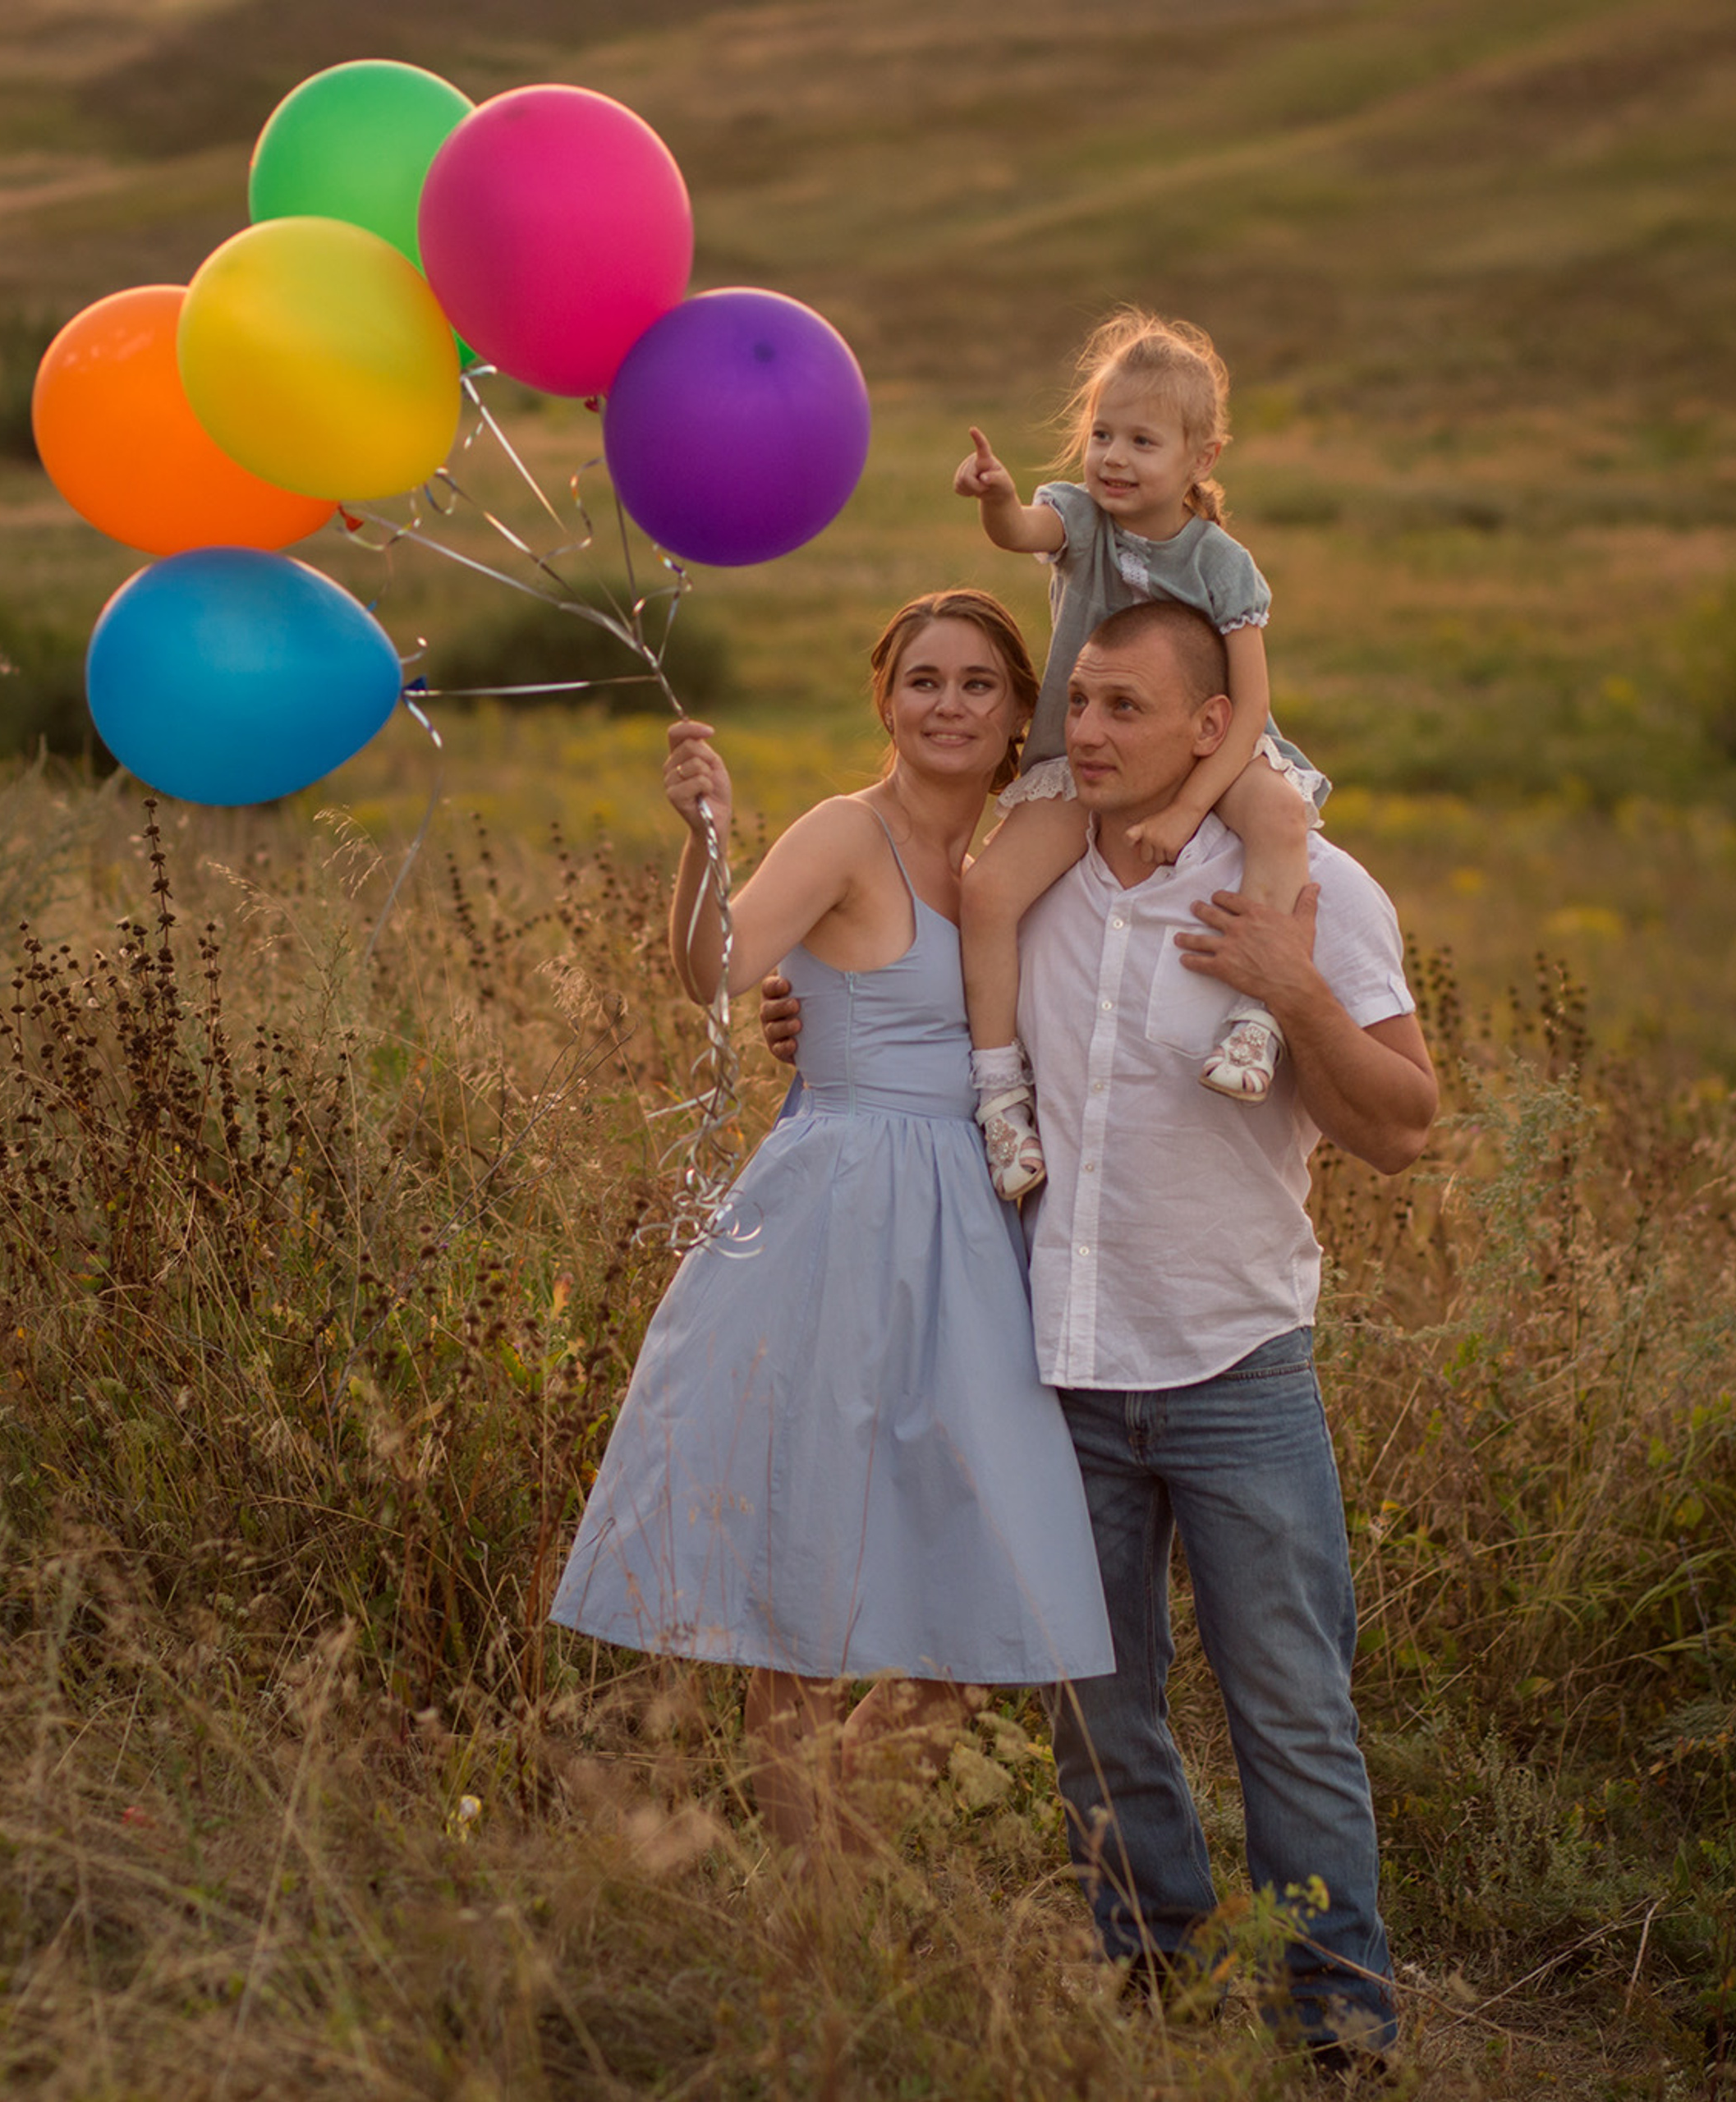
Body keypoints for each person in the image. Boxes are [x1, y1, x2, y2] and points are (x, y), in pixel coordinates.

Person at [764, 599, 1435, 2063]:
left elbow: (1403, 1128)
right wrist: (796, 1018)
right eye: (1078, 703)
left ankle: (1338, 2020)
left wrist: (1293, 988)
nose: (1088, 732)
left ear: (1214, 725)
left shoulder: (1314, 886)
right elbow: (907, 1018)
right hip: (1056, 1370)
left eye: (1127, 707)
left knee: (1292, 1711)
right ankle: (1157, 1980)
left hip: (1237, 1363)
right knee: (1097, 1712)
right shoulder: (1034, 882)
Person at [551, 590, 1114, 1853]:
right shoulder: (845, 835)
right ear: (886, 701)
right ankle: (820, 1915)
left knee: (993, 1588)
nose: (949, 705)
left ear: (1020, 714)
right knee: (806, 1580)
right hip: (841, 1221)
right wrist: (706, 838)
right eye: (924, 680)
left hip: (981, 1242)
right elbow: (718, 967)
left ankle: (839, 1842)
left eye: (978, 683)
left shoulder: (1033, 854)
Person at [950, 308, 1329, 1200]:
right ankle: (1001, 1096)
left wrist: (1190, 806)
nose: (1113, 458)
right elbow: (1020, 533)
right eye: (1102, 435)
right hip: (1085, 747)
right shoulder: (1082, 519)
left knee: (1280, 816)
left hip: (1209, 747)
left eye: (1142, 442)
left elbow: (1250, 706)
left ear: (1202, 458)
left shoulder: (1221, 563)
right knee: (989, 892)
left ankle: (1252, 1024)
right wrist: (997, 497)